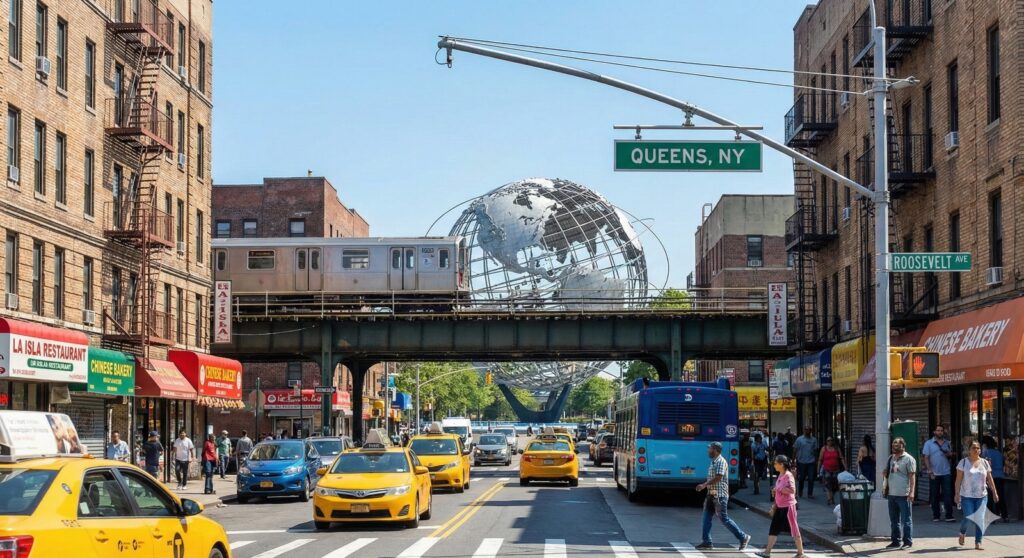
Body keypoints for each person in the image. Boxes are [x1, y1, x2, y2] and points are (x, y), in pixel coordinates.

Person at [695, 441, 752, 551]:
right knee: (706, 519)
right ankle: (707, 541)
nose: (708, 450)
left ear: (715, 450)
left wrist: (704, 485)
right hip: (711, 495)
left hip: (720, 496)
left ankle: (743, 537)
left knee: (724, 519)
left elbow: (718, 477)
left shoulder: (721, 461)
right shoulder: (713, 462)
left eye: (710, 448)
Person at [755, 455, 804, 558]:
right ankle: (767, 552)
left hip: (788, 507)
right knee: (773, 528)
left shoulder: (788, 475)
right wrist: (775, 492)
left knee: (794, 529)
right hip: (780, 506)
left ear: (782, 464)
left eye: (776, 463)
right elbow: (780, 488)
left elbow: (792, 490)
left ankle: (801, 553)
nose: (774, 465)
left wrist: (778, 489)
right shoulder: (781, 474)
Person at [955, 440, 1000, 550]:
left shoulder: (985, 462)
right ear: (969, 450)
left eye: (978, 448)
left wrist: (994, 492)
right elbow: (958, 480)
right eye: (973, 448)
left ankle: (978, 542)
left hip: (982, 495)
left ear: (980, 450)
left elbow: (990, 479)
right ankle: (962, 533)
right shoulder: (963, 462)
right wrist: (957, 494)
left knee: (980, 519)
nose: (976, 450)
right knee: (968, 517)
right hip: (966, 496)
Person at [883, 437, 916, 550]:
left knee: (906, 520)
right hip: (891, 494)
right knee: (894, 520)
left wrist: (911, 492)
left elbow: (912, 477)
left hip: (904, 494)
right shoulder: (890, 458)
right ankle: (895, 541)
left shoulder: (908, 459)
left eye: (897, 444)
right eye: (893, 444)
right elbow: (886, 472)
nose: (894, 446)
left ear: (903, 446)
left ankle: (907, 542)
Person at [921, 424, 955, 522]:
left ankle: (949, 515)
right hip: (934, 473)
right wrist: (929, 470)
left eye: (941, 430)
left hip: (946, 472)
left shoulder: (947, 443)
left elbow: (951, 455)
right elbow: (925, 457)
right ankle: (936, 515)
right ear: (934, 432)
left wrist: (949, 454)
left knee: (947, 494)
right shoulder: (928, 443)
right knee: (934, 495)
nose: (940, 432)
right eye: (938, 430)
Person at [981, 436, 1007, 520]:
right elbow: (1003, 463)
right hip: (1000, 476)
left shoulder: (986, 452)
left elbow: (985, 466)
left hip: (991, 477)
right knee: (1000, 496)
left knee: (990, 497)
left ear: (985, 444)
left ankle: (991, 517)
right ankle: (1004, 515)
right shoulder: (998, 453)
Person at [817, 437, 845, 506]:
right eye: (828, 440)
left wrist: (845, 467)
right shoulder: (824, 448)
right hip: (827, 469)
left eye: (831, 440)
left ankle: (831, 497)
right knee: (827, 485)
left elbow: (841, 457)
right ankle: (829, 499)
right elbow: (820, 459)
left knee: (835, 486)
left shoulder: (836, 448)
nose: (830, 442)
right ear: (826, 441)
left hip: (836, 470)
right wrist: (818, 469)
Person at [793, 427, 818, 499]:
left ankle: (810, 493)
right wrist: (793, 460)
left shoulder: (814, 440)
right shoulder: (799, 439)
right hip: (801, 461)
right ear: (804, 431)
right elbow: (795, 450)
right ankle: (800, 490)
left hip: (811, 461)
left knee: (811, 478)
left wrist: (816, 460)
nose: (807, 431)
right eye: (806, 430)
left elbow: (815, 450)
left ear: (811, 431)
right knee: (801, 478)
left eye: (809, 430)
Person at [1003, 438, 1020, 522]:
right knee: (1012, 497)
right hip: (1012, 478)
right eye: (1015, 443)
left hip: (1015, 478)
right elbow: (1007, 465)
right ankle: (1013, 514)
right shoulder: (1010, 453)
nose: (1016, 445)